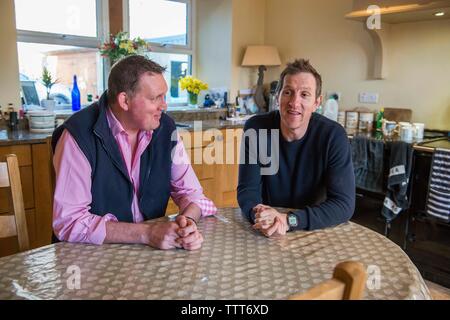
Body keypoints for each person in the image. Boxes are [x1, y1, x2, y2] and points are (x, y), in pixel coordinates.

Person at [52, 55, 217, 250]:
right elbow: (69, 222)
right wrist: (147, 233)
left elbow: (192, 194)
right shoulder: (78, 135)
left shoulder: (165, 128)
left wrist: (187, 223)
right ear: (125, 100)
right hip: (91, 256)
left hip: (148, 254)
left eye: (164, 96)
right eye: (155, 98)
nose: (163, 106)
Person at [237, 59, 355, 237]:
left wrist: (288, 220)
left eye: (304, 94)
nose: (294, 101)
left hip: (314, 226)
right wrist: (259, 215)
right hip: (267, 228)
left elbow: (343, 204)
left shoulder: (333, 136)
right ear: (278, 98)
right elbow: (247, 190)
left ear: (317, 102)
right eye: (288, 92)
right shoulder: (256, 128)